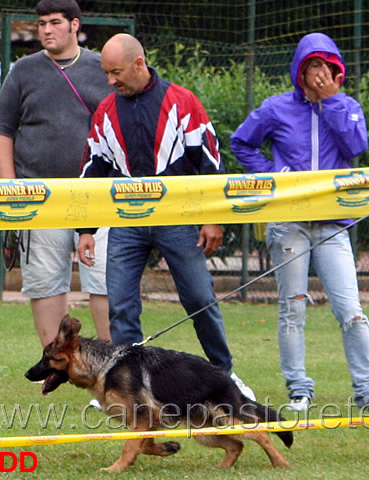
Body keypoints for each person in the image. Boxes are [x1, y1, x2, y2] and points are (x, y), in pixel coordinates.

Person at [77, 33, 255, 401]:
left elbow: (209, 163)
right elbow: (91, 170)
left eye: (116, 72)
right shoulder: (106, 111)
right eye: (106, 73)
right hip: (126, 220)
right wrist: (86, 229)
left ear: (139, 64)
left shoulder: (183, 101)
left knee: (199, 299)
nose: (110, 81)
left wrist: (213, 218)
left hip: (179, 217)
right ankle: (128, 389)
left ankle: (226, 375)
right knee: (121, 306)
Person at [230, 32, 369, 415]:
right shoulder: (275, 108)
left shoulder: (348, 105)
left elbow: (356, 146)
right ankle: (299, 392)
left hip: (334, 223)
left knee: (351, 310)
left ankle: (368, 393)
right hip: (288, 222)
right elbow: (241, 143)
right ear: (299, 72)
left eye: (326, 66)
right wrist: (274, 174)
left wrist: (331, 103)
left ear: (337, 71)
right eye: (311, 67)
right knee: (293, 308)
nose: (319, 73)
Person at [0, 0, 111, 347]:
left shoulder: (102, 67)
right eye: (41, 23)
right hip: (38, 194)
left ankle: (115, 370)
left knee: (104, 279)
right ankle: (59, 366)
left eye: (55, 22)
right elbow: (1, 130)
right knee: (44, 282)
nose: (45, 29)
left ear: (75, 25)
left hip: (97, 195)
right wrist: (10, 188)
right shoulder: (23, 71)